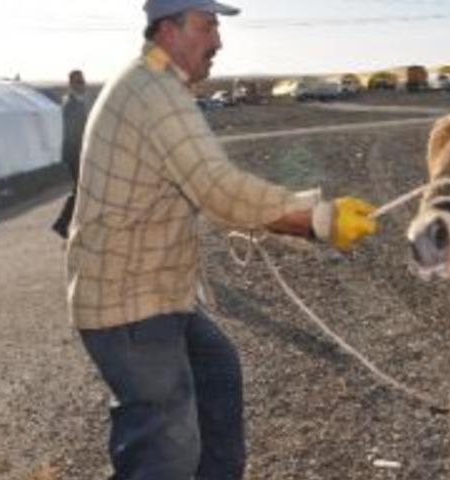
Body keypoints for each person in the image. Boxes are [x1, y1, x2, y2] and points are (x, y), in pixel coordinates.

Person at [66, 1, 378, 478]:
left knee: (217, 370)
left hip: (154, 293)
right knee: (166, 446)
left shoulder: (155, 82)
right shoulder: (155, 94)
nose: (218, 41)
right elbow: (220, 189)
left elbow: (204, 186)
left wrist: (305, 207)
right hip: (128, 305)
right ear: (170, 29)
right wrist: (320, 219)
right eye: (208, 25)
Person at [51, 69, 90, 239]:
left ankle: (67, 223)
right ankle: (62, 223)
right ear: (71, 85)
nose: (82, 85)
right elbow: (73, 133)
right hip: (75, 154)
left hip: (77, 153)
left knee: (81, 190)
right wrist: (83, 153)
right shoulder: (70, 105)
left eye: (82, 81)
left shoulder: (78, 103)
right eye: (78, 82)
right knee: (80, 190)